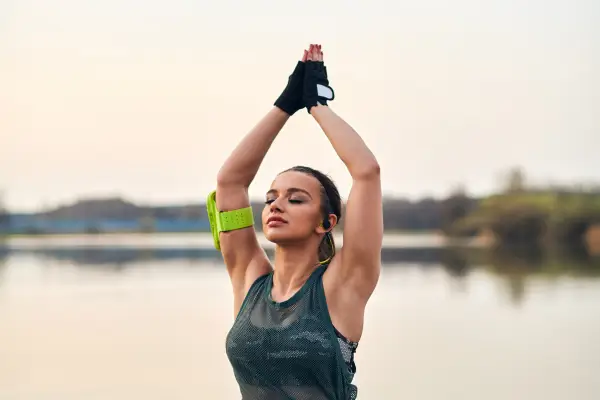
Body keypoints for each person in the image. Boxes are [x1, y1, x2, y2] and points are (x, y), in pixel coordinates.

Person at [213, 44, 383, 399]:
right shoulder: (248, 279)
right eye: (272, 197)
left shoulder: (343, 283)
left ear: (326, 222)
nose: (277, 205)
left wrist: (318, 105)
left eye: (296, 199)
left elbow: (366, 172)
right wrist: (285, 104)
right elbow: (230, 182)